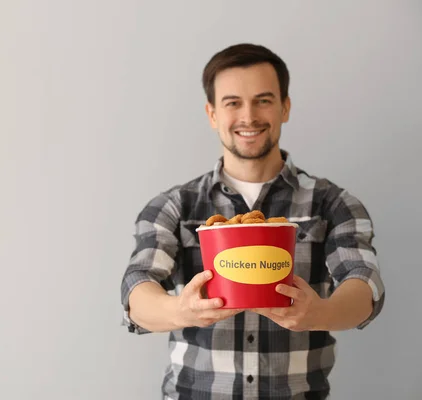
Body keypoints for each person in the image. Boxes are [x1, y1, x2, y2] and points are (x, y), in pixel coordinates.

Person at [119, 43, 385, 399]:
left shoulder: (332, 203)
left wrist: (318, 313)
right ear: (212, 113)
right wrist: (181, 309)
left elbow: (364, 286)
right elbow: (137, 289)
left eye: (263, 100)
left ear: (284, 107)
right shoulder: (174, 206)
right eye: (233, 103)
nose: (249, 116)